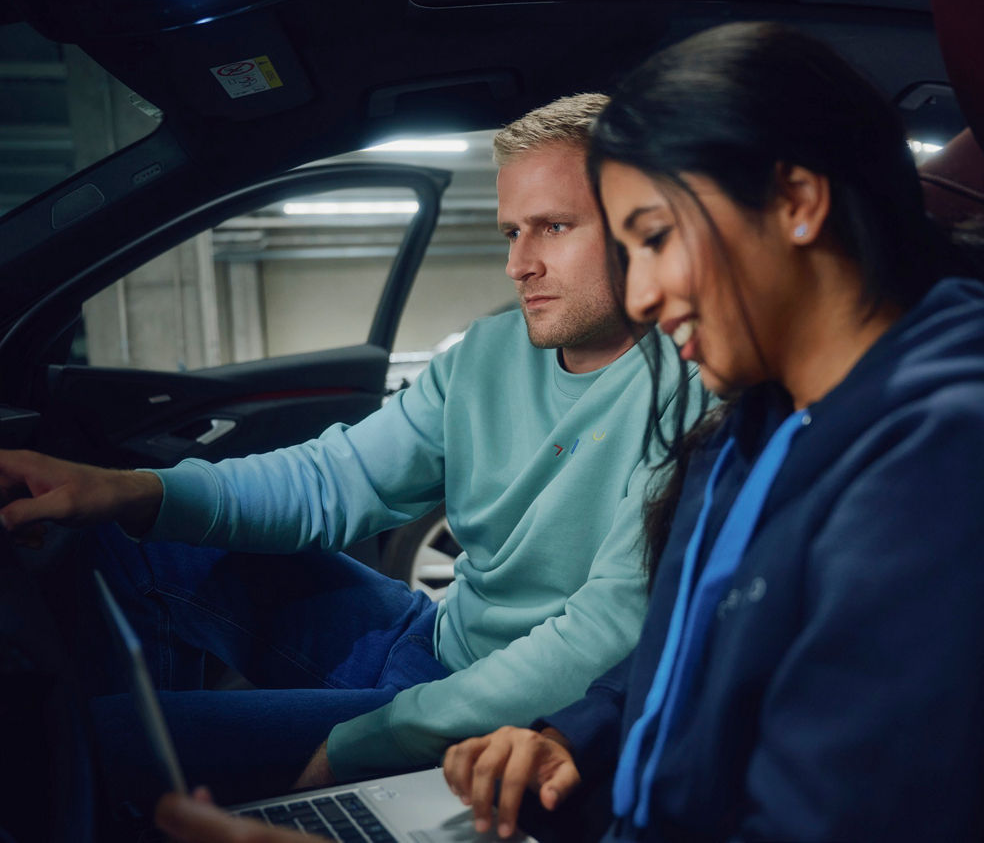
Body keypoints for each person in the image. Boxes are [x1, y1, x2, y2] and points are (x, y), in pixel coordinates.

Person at [150, 21, 984, 843]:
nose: (640, 290)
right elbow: (673, 657)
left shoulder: (952, 469)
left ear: (796, 202)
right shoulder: (757, 425)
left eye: (655, 238)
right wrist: (575, 742)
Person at [0, 93, 701, 807]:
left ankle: (124, 774)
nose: (520, 265)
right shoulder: (487, 354)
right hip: (427, 642)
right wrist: (126, 488)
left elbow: (600, 643)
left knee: (90, 741)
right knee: (131, 533)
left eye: (553, 227)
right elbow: (333, 480)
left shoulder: (695, 389)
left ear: (642, 228)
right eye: (510, 234)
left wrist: (353, 750)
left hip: (496, 714)